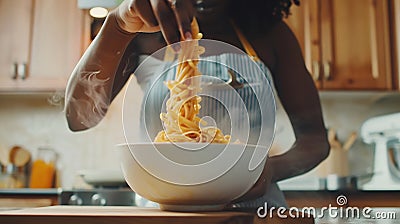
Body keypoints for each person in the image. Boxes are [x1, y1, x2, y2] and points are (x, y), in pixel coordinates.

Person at [65, 0, 330, 208]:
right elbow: (79, 118)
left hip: (254, 211)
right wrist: (118, 25)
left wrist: (267, 170)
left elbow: (315, 141)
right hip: (164, 211)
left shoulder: (270, 34)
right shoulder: (140, 35)